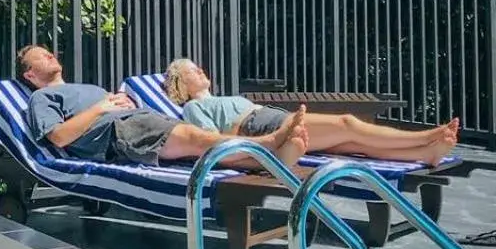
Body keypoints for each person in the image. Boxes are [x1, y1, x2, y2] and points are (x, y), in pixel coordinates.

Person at [16, 45, 308, 171]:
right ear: (30, 75)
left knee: (198, 147)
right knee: (198, 140)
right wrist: (102, 108)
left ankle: (273, 160)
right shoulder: (40, 99)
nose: (50, 54)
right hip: (118, 130)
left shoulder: (85, 87)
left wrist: (118, 101)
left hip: (137, 119)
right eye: (41, 56)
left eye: (49, 51)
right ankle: (266, 144)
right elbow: (58, 137)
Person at [164, 59, 459, 166]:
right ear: (181, 84)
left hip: (268, 119)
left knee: (354, 145)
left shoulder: (213, 98)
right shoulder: (193, 107)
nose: (200, 70)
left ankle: (424, 154)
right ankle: (425, 135)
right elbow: (211, 141)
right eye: (192, 70)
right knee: (347, 123)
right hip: (260, 127)